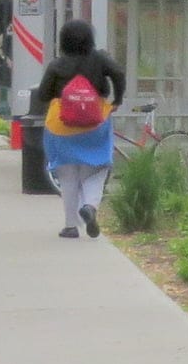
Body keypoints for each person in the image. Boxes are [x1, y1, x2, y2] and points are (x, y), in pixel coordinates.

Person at [34, 19, 126, 240]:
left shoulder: (57, 65)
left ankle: (70, 227)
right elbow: (119, 74)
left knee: (67, 175)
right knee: (96, 169)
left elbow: (43, 95)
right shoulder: (100, 59)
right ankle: (90, 207)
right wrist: (117, 100)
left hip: (61, 127)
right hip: (95, 124)